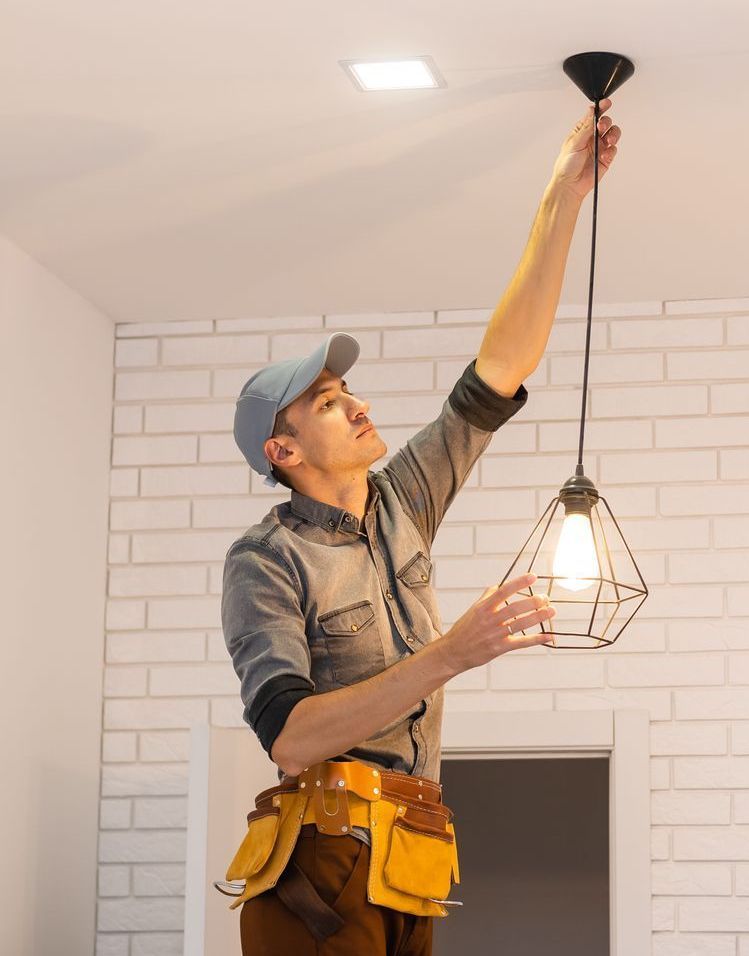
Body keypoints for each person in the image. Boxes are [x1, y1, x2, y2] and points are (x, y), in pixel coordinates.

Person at [218, 102, 622, 955]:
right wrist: (450, 654)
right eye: (328, 402)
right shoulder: (266, 558)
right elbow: (291, 740)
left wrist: (563, 197)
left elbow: (499, 368)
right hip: (320, 868)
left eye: (349, 391)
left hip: (413, 860)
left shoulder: (402, 501)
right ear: (282, 449)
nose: (358, 404)